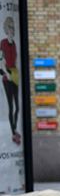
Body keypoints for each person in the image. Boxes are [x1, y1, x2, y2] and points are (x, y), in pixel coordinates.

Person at [0, 16, 19, 145]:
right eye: (9, 28)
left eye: (12, 27)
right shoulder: (3, 43)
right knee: (11, 106)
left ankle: (15, 129)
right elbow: (2, 61)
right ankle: (13, 133)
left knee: (17, 106)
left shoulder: (15, 44)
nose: (11, 30)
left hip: (15, 75)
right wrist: (7, 73)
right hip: (7, 77)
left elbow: (16, 59)